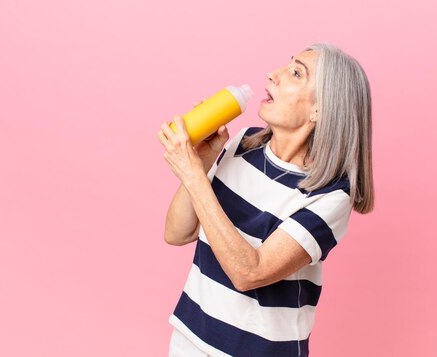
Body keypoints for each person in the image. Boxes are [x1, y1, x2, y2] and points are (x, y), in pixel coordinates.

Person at [157, 43, 374, 357]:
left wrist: (193, 176)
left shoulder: (331, 195)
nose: (274, 75)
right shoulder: (243, 143)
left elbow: (250, 273)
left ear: (320, 109)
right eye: (286, 66)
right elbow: (177, 233)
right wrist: (202, 163)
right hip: (189, 340)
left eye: (296, 73)